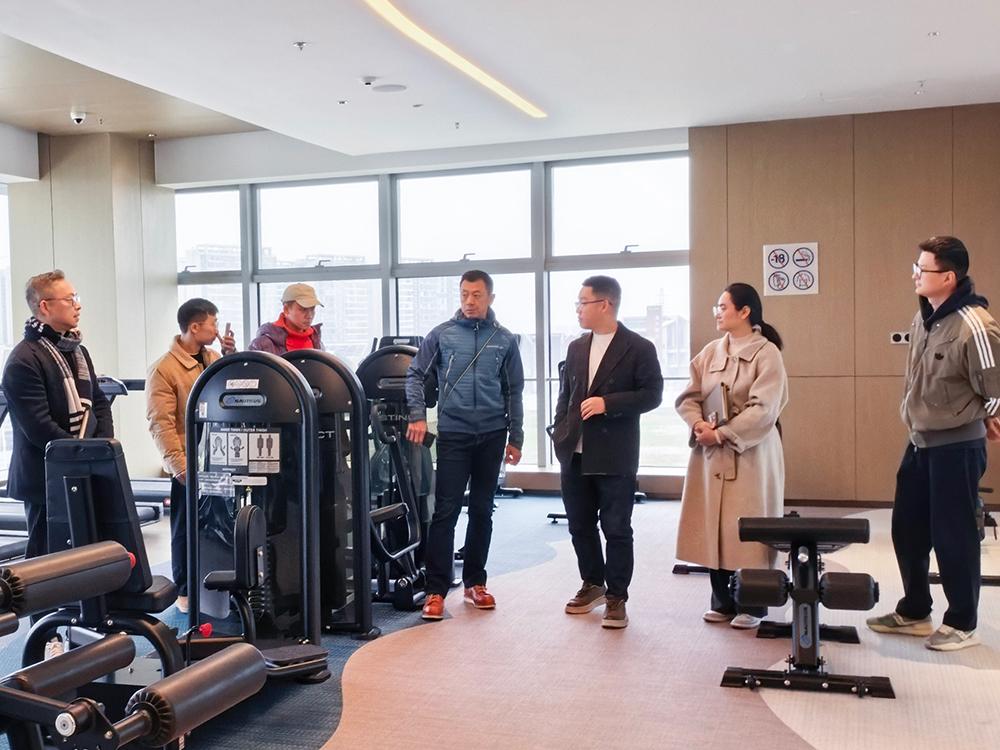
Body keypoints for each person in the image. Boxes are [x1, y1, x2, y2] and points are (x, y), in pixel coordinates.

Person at [867, 236, 1000, 651]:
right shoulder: (925, 317)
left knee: (954, 536)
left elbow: (996, 388)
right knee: (907, 529)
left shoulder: (976, 325)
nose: (915, 275)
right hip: (920, 442)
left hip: (957, 447)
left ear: (948, 277)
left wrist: (988, 414)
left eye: (922, 270)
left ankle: (962, 622)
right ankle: (915, 610)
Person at [405, 270, 524, 621]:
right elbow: (415, 374)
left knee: (483, 511)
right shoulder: (442, 335)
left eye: (476, 295)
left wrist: (516, 437)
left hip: (492, 434)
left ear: (490, 298)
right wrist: (417, 414)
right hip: (454, 434)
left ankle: (475, 582)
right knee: (445, 512)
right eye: (464, 295)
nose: (469, 301)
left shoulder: (504, 339)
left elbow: (514, 392)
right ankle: (436, 590)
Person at [550, 276, 663, 629]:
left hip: (615, 453)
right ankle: (593, 583)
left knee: (616, 529)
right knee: (580, 526)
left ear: (605, 305)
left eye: (583, 302)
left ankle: (616, 597)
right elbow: (566, 396)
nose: (578, 309)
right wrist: (560, 432)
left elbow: (652, 395)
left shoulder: (638, 347)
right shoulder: (576, 347)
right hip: (575, 453)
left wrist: (607, 403)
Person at [675, 282, 788, 630]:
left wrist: (723, 433)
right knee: (714, 526)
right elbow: (689, 397)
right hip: (711, 454)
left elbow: (764, 408)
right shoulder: (711, 352)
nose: (717, 313)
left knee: (749, 526)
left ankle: (753, 603)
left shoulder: (767, 353)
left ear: (745, 311)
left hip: (751, 452)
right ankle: (721, 601)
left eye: (723, 306)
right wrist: (698, 425)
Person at [2, 270, 114, 559]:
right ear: (45, 307)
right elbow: (40, 427)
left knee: (86, 556)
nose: (78, 305)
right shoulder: (23, 360)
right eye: (70, 299)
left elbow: (99, 403)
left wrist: (101, 449)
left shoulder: (78, 352)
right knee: (46, 560)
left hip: (84, 467)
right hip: (45, 480)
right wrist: (83, 455)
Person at [146, 298, 236, 614]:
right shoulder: (164, 369)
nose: (217, 328)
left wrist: (230, 357)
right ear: (195, 327)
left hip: (218, 459)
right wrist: (178, 465)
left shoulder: (213, 358)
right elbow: (160, 422)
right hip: (188, 463)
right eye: (213, 323)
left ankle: (221, 585)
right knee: (185, 527)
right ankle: (184, 590)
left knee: (222, 522)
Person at [248, 283, 323, 353]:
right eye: (303, 309)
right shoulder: (262, 345)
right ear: (286, 309)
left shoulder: (316, 342)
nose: (310, 315)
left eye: (312, 309)